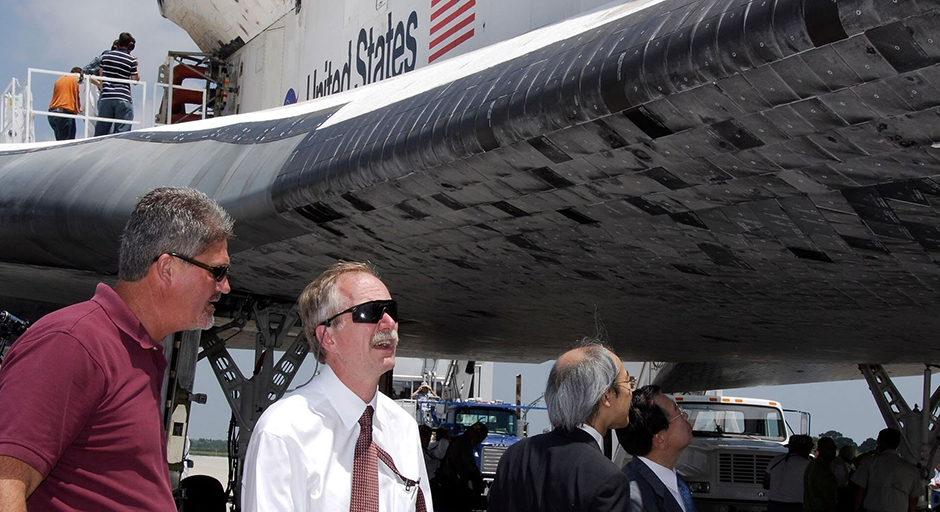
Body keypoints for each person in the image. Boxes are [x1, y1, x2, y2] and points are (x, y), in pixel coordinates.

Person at [0, 187, 233, 511]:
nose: (225, 286)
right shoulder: (73, 343)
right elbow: (4, 487)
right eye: (217, 271)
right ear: (167, 268)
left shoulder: (137, 352)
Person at [242, 261, 432, 511]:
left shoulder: (403, 429)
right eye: (370, 312)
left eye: (391, 310)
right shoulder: (283, 433)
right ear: (328, 337)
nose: (388, 323)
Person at [488, 340, 634, 512]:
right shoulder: (607, 478)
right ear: (606, 395)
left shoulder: (515, 455)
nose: (631, 390)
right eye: (627, 381)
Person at [617, 385, 696, 512]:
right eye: (678, 411)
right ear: (660, 440)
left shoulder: (675, 482)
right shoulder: (636, 499)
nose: (685, 416)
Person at [851, 428, 920, 512]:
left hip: (873, 507)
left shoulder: (870, 463)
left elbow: (860, 489)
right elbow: (914, 499)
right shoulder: (910, 469)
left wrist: (856, 507)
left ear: (880, 441)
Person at [435, 422, 489, 512]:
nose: (478, 442)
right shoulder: (463, 444)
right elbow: (470, 466)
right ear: (475, 435)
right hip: (453, 489)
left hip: (451, 487)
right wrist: (478, 480)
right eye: (480, 439)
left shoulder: (459, 441)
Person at [94, 32, 139, 136]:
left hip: (106, 97)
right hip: (123, 97)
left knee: (101, 132)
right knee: (122, 133)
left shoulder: (106, 56)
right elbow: (135, 80)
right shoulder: (131, 59)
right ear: (130, 45)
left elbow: (101, 77)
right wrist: (137, 64)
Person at [763, 434, 813, 512]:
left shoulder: (776, 460)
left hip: (774, 503)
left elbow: (766, 484)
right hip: (797, 505)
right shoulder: (809, 464)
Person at [804, 437, 839, 512]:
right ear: (820, 449)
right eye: (829, 448)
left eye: (834, 448)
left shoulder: (814, 464)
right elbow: (826, 494)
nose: (833, 451)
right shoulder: (821, 468)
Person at [47, 66, 82, 140]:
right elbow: (78, 95)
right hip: (64, 113)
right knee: (68, 142)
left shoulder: (60, 79)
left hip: (52, 113)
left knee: (60, 141)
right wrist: (79, 109)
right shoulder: (75, 80)